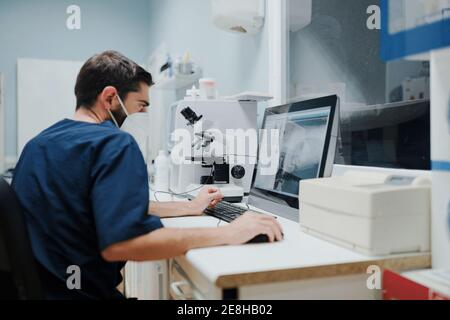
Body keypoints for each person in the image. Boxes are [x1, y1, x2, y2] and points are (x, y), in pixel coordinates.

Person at [11, 51, 283, 300]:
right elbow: (124, 243)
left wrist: (189, 207)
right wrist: (232, 233)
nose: (144, 112)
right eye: (141, 104)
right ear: (109, 98)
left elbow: (101, 205)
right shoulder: (113, 144)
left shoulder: (38, 144)